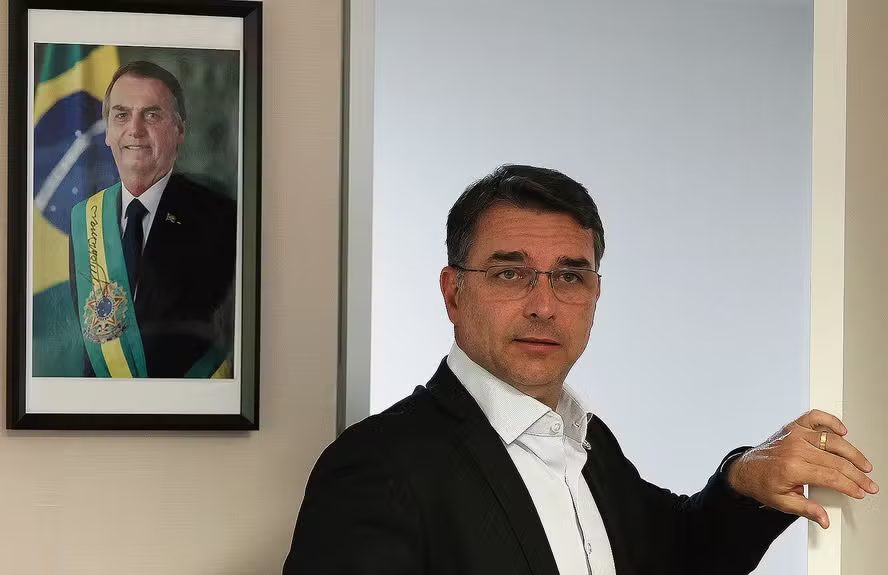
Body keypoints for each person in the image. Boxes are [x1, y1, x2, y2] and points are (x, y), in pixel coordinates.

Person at [283, 165, 878, 574]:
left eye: (569, 276)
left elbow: (681, 554)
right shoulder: (375, 468)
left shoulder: (588, 445)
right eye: (510, 273)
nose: (544, 306)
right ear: (453, 292)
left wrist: (745, 482)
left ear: (595, 295)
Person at [68, 61, 236, 379]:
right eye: (121, 115)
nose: (135, 129)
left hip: (192, 403)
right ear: (107, 132)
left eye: (151, 115)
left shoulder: (221, 216)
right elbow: (91, 344)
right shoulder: (85, 217)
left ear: (180, 130)